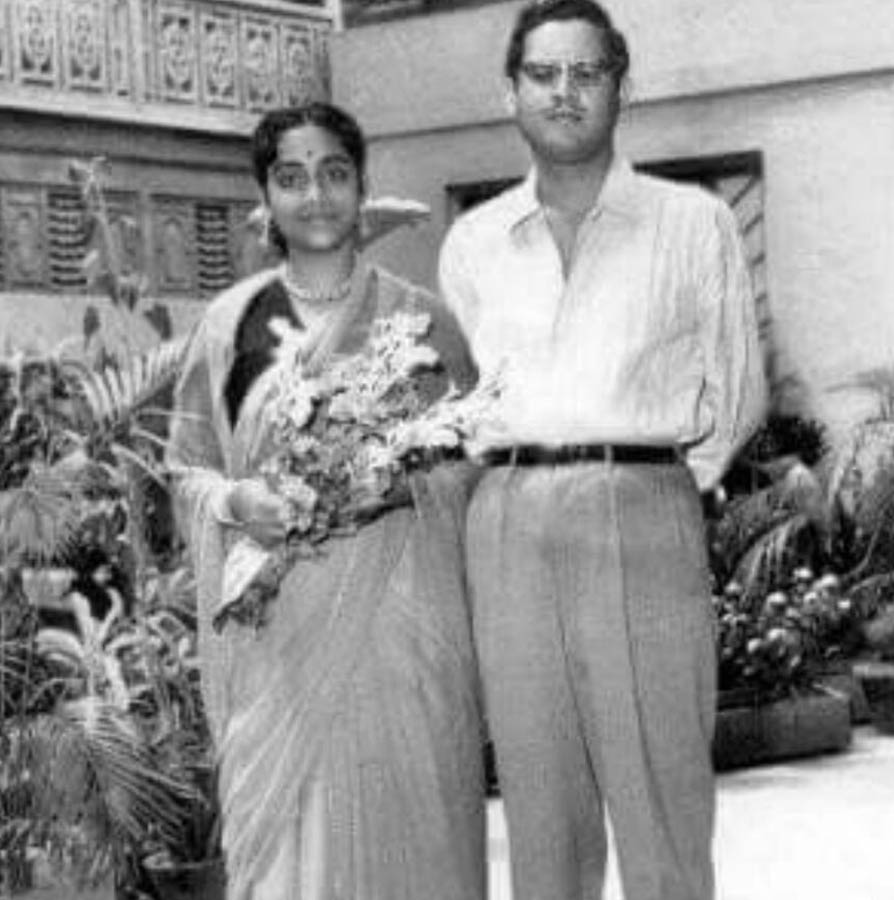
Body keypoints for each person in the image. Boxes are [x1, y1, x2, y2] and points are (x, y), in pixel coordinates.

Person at [438, 2, 767, 899]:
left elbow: (737, 394)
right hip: (505, 519)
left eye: (587, 73)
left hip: (643, 510)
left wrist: (645, 483)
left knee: (662, 798)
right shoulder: (472, 243)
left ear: (624, 84)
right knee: (540, 808)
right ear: (510, 92)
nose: (565, 92)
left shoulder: (691, 223)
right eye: (544, 74)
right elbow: (469, 399)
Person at [168, 102, 485, 900]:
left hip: (402, 629)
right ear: (265, 198)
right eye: (291, 177)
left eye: (335, 174)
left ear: (361, 184)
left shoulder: (422, 321)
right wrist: (239, 499)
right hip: (277, 641)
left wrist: (397, 481)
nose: (316, 195)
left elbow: (477, 463)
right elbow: (186, 470)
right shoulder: (229, 324)